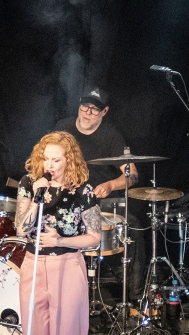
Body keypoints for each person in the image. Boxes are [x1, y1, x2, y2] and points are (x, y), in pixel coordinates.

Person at [15, 131, 101, 335]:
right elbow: (21, 228)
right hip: (34, 265)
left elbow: (94, 237)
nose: (50, 165)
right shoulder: (29, 184)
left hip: (67, 265)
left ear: (69, 161)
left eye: (56, 160)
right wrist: (39, 198)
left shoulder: (83, 190)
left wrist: (61, 240)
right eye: (46, 159)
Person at [53, 87, 145, 300]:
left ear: (105, 112)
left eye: (95, 110)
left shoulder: (111, 135)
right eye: (85, 106)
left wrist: (112, 185)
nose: (87, 113)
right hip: (67, 200)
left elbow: (132, 175)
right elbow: (44, 160)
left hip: (100, 201)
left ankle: (133, 296)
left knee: (135, 228)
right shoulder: (62, 128)